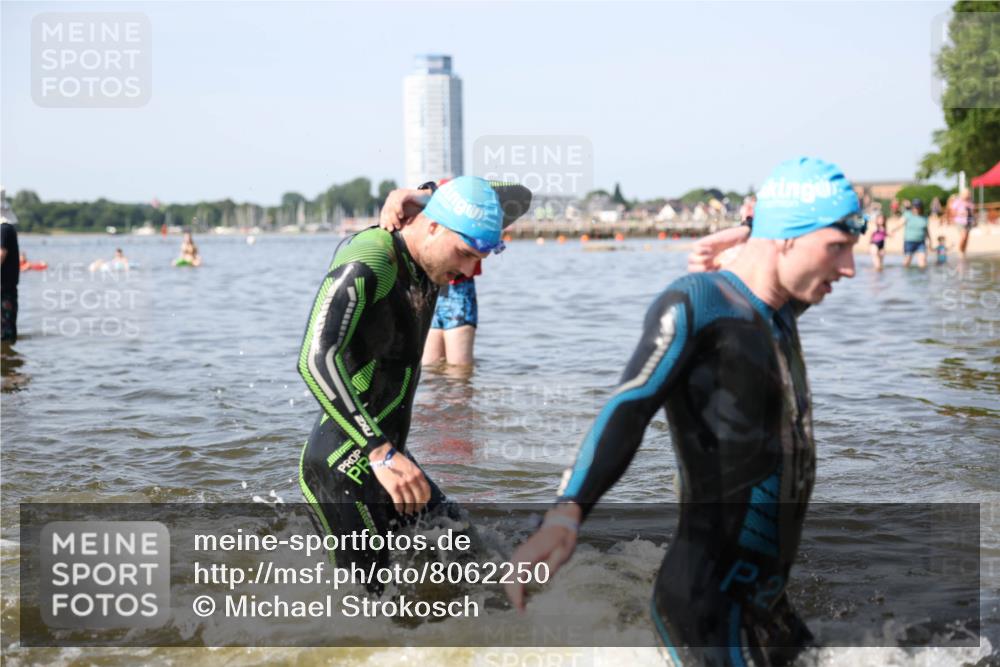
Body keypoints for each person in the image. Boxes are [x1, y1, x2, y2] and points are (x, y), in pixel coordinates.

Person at [506, 157, 866, 666]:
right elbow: (629, 407)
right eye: (837, 247)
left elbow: (765, 257)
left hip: (768, 607)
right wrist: (566, 514)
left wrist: (746, 229)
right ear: (786, 238)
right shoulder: (699, 304)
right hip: (706, 610)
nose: (849, 268)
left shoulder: (778, 310)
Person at [298, 176, 529, 589]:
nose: (469, 271)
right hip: (345, 465)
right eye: (465, 254)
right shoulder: (370, 259)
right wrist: (380, 452)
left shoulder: (430, 256)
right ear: (434, 226)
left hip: (396, 464)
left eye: (479, 259)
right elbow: (314, 359)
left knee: (483, 570)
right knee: (364, 610)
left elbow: (518, 197)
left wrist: (420, 195)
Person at [379, 181, 485, 366]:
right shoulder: (435, 212)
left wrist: (420, 194)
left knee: (459, 368)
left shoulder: (477, 207)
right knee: (430, 365)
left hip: (459, 290)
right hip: (430, 287)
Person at [1, 189, 20, 345]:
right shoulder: (7, 229)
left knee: (4, 332)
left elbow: (1, 253)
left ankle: (6, 356)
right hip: (6, 287)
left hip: (3, 288)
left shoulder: (3, 229)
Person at [899, 198, 931, 269]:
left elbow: (926, 230)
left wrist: (929, 240)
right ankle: (905, 273)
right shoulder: (908, 214)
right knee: (907, 260)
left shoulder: (924, 217)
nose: (916, 208)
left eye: (918, 206)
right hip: (909, 241)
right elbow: (900, 224)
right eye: (915, 206)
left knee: (922, 261)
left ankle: (922, 275)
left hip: (921, 242)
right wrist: (892, 231)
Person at [949, 188, 975, 258]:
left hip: (969, 221)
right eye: (966, 194)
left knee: (966, 238)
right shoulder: (958, 201)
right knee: (963, 236)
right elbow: (952, 211)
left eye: (968, 193)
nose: (967, 195)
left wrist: (974, 219)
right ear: (962, 194)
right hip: (960, 221)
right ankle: (960, 251)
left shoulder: (970, 201)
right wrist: (960, 213)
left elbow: (972, 211)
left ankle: (964, 251)